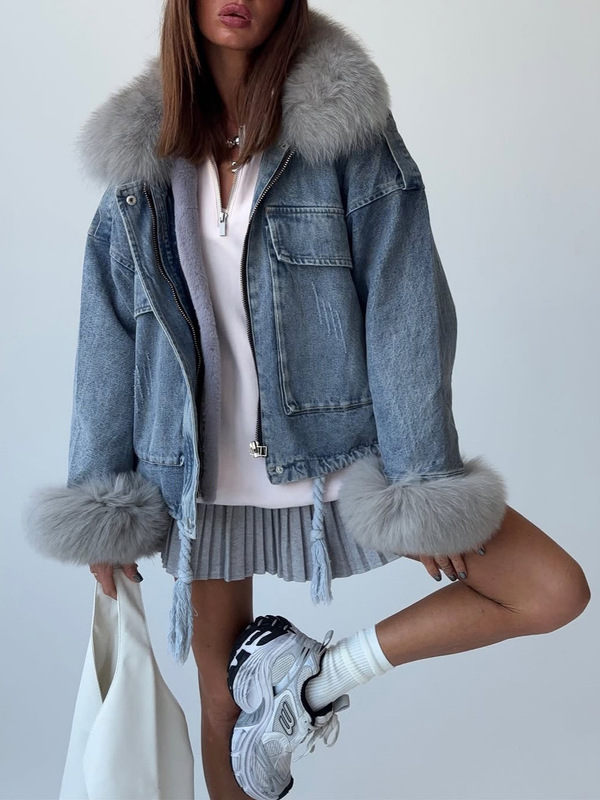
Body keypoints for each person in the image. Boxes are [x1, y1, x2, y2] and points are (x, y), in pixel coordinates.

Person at [23, 1, 590, 799]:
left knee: (551, 589)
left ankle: (313, 682)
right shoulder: (143, 160)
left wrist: (421, 475)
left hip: (337, 450)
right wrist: (98, 492)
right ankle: (277, 691)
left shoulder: (346, 134)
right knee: (222, 706)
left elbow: (404, 304)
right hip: (202, 472)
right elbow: (108, 332)